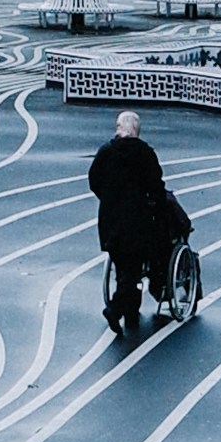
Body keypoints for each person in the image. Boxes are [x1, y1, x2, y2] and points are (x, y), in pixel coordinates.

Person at [87, 107, 183, 342]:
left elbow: (94, 181)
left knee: (124, 269)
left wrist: (108, 198)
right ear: (137, 132)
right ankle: (115, 309)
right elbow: (156, 187)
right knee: (133, 271)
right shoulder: (145, 154)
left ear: (118, 129)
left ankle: (130, 311)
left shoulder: (105, 152)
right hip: (138, 222)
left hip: (110, 221)